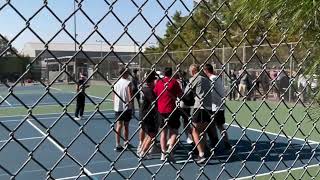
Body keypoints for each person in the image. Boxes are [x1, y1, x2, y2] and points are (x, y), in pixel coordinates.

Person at [186, 64, 215, 164]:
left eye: (190, 71)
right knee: (203, 131)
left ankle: (201, 153)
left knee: (194, 130)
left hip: (199, 107)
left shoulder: (196, 78)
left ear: (193, 71)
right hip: (209, 108)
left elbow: (186, 92)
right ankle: (203, 150)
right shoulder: (206, 79)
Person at [154, 67, 182, 162]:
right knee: (174, 131)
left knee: (163, 132)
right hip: (171, 110)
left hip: (161, 110)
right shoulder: (174, 82)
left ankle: (163, 152)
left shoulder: (159, 82)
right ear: (172, 73)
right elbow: (180, 94)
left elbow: (156, 94)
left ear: (163, 73)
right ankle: (170, 149)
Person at [203, 64, 232, 150]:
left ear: (206, 71)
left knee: (212, 125)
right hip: (219, 105)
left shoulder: (212, 79)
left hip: (215, 106)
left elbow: (211, 92)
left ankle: (215, 142)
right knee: (219, 125)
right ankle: (225, 142)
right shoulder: (217, 78)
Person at [138, 70, 159, 159]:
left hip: (143, 113)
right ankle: (143, 151)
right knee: (152, 134)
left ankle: (142, 149)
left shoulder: (143, 88)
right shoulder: (149, 90)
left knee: (149, 133)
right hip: (148, 114)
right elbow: (154, 102)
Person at [113, 67, 133, 152]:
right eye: (127, 73)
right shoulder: (128, 83)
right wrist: (131, 104)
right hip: (126, 107)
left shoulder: (116, 83)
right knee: (126, 125)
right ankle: (126, 142)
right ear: (124, 74)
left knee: (119, 125)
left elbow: (113, 95)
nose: (128, 74)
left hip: (118, 106)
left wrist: (115, 104)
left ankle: (118, 144)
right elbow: (129, 94)